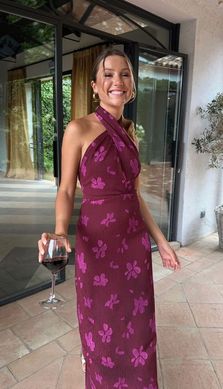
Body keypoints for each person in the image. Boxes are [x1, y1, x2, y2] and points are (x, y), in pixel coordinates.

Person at [38, 47, 180, 389]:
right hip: (97, 246)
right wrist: (60, 232)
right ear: (94, 85)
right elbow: (67, 191)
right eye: (109, 74)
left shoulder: (131, 134)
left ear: (131, 86)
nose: (117, 80)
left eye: (125, 74)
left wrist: (160, 242)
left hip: (134, 248)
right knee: (102, 328)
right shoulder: (78, 129)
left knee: (139, 326)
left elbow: (135, 195)